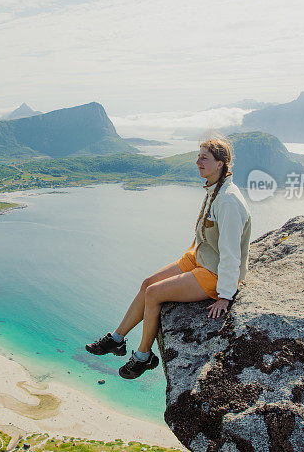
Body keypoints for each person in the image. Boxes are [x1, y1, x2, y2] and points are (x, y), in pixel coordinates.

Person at [85, 136, 251, 379]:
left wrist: (226, 296)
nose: (197, 161)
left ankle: (143, 357)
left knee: (154, 294)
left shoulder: (227, 200)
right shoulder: (215, 189)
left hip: (213, 272)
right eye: (198, 156)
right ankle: (118, 339)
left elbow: (231, 253)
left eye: (204, 157)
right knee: (146, 284)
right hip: (201, 257)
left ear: (220, 163)